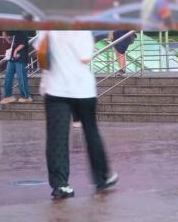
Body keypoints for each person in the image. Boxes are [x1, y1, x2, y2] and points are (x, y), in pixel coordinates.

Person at [35, 31, 117, 199]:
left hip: (56, 89)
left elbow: (40, 53)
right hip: (83, 90)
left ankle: (61, 185)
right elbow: (86, 57)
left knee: (56, 138)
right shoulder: (82, 30)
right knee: (91, 132)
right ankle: (101, 178)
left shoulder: (48, 25)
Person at [0, 31, 32, 104]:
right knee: (8, 76)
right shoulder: (14, 32)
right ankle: (8, 96)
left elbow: (23, 43)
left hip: (20, 57)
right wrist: (5, 36)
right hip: (12, 57)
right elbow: (11, 42)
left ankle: (26, 96)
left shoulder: (23, 30)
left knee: (21, 76)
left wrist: (16, 50)